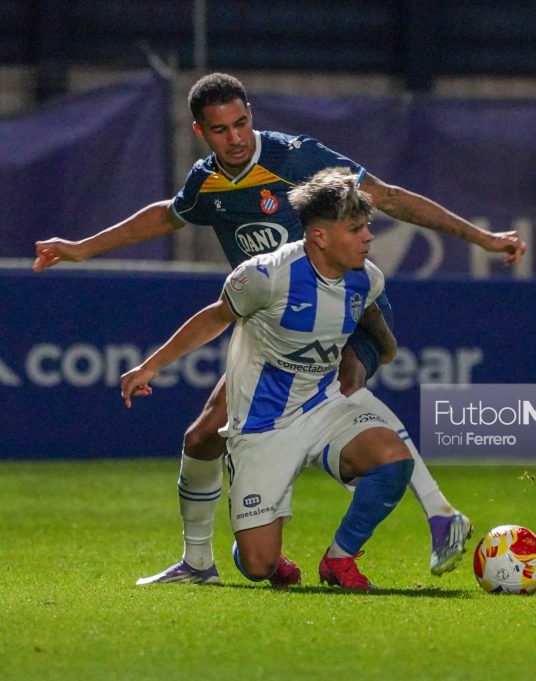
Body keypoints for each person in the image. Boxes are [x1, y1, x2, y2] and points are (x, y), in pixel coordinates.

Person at [35, 72, 527, 583]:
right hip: (273, 331)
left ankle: (394, 528)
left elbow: (388, 197)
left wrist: (483, 238)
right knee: (203, 437)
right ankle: (207, 557)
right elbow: (167, 216)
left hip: (346, 315)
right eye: (220, 129)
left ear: (251, 113)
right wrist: (82, 249)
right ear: (200, 131)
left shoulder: (297, 158)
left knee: (347, 389)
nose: (235, 138)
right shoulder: (208, 184)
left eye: (241, 123)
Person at [120, 167, 411, 590]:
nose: (368, 238)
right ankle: (255, 552)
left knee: (394, 458)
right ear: (320, 237)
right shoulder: (265, 275)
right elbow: (215, 317)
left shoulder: (367, 277)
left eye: (367, 227)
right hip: (261, 424)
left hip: (322, 406)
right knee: (258, 565)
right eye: (356, 229)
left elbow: (372, 324)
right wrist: (152, 366)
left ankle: (339, 558)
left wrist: (372, 355)